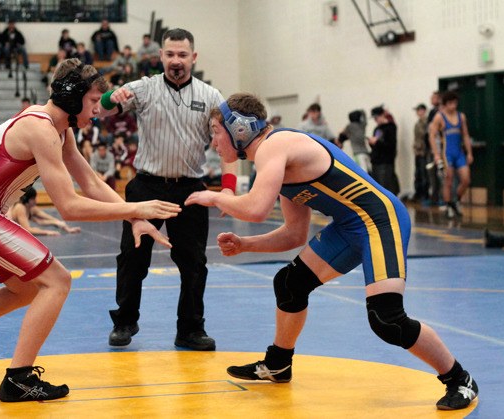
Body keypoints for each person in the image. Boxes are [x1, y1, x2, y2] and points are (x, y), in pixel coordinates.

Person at [185, 92, 479, 411]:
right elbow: (294, 233)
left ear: (238, 128)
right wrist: (245, 244)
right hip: (350, 225)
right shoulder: (275, 159)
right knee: (289, 283)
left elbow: (255, 208)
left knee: (386, 317)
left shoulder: (275, 146)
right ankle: (278, 364)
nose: (213, 142)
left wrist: (214, 197)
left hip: (379, 219)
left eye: (215, 131)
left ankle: (460, 379)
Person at [0, 58, 181, 402]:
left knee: (27, 289)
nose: (97, 110)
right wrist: (134, 207)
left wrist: (135, 219)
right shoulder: (40, 128)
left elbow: (89, 181)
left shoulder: (60, 128)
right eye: (93, 101)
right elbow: (69, 206)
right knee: (57, 280)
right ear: (73, 98)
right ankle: (19, 379)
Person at [106, 28, 237, 351]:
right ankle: (125, 320)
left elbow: (231, 145)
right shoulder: (144, 88)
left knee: (194, 263)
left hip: (189, 190)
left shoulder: (211, 96)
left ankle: (190, 329)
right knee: (132, 258)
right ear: (160, 56)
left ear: (193, 57)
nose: (176, 60)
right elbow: (104, 107)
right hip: (146, 187)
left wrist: (229, 191)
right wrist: (113, 96)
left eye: (182, 54)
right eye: (170, 54)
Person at [428, 91, 473, 219]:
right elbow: (432, 136)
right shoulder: (439, 117)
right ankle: (448, 205)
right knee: (448, 180)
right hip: (446, 153)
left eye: (455, 103)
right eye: (450, 103)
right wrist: (436, 154)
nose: (453, 106)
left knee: (466, 179)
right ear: (445, 104)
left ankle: (456, 200)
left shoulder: (461, 116)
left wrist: (469, 152)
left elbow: (465, 135)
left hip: (459, 152)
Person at [7, 186, 81, 235]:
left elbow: (46, 219)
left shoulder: (31, 208)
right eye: (33, 199)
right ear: (27, 199)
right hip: (7, 231)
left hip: (14, 232)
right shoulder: (20, 208)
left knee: (40, 224)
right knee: (35, 229)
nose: (35, 201)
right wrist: (47, 232)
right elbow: (28, 229)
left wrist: (67, 228)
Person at [369, 105, 399, 195]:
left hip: (386, 161)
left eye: (376, 117)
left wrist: (377, 143)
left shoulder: (390, 127)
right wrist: (372, 143)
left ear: (382, 115)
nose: (375, 120)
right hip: (376, 160)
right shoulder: (377, 129)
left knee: (385, 186)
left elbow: (390, 145)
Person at [413, 104, 429, 202]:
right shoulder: (417, 123)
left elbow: (425, 135)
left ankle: (425, 195)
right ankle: (418, 194)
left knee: (424, 174)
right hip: (417, 152)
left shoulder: (426, 122)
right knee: (418, 174)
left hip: (424, 152)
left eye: (419, 110)